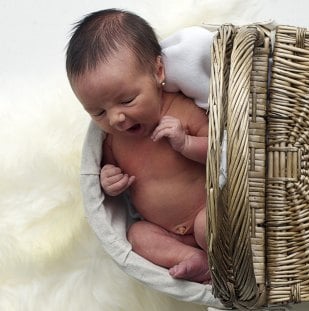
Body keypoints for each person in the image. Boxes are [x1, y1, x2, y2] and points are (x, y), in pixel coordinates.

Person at [66, 9, 210, 283]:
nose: (115, 118)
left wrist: (187, 142)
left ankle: (223, 262)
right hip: (166, 232)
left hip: (210, 213)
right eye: (98, 112)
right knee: (137, 235)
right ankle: (192, 260)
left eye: (127, 100)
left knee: (206, 227)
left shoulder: (183, 111)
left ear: (158, 72)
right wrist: (109, 182)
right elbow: (108, 168)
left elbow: (222, 153)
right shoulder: (112, 140)